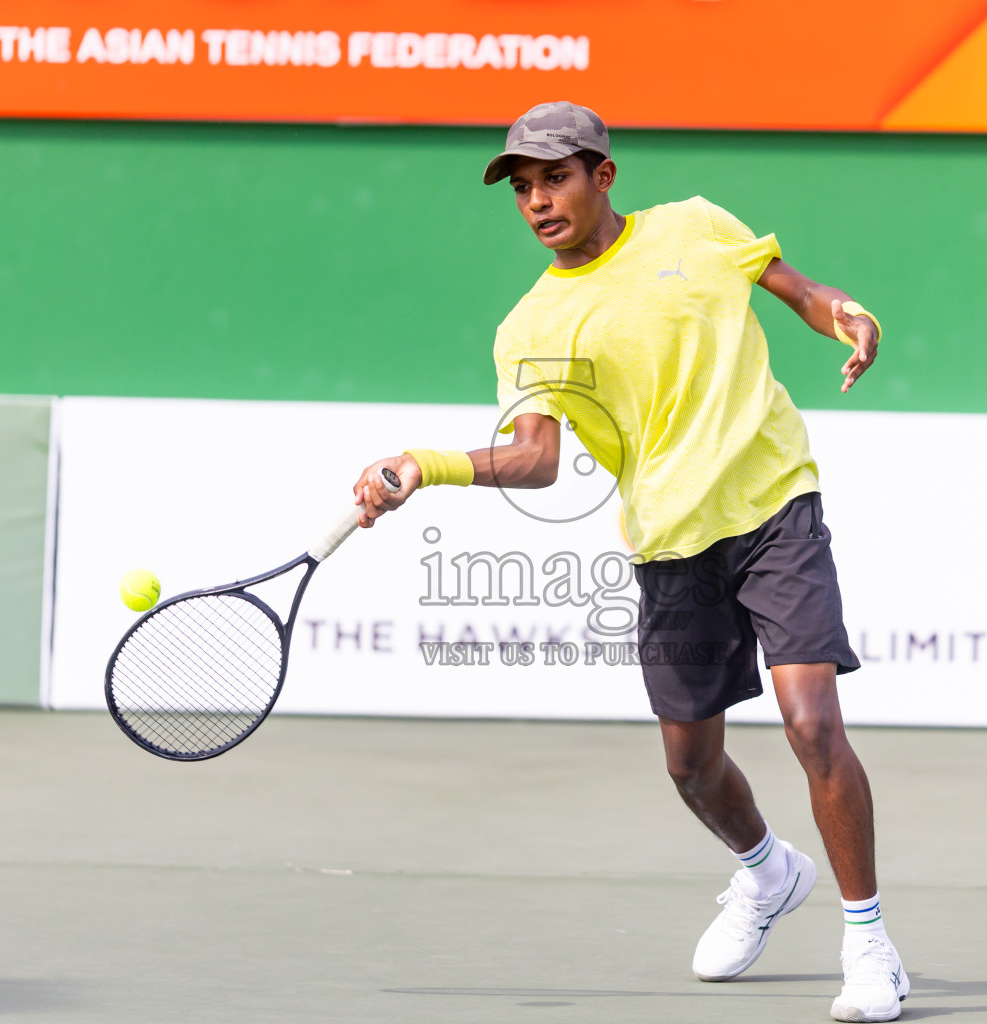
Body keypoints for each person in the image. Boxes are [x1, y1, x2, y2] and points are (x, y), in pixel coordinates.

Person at [350, 100, 908, 1022]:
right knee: (690, 766)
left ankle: (870, 945)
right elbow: (535, 459)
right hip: (669, 542)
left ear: (602, 175)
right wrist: (426, 467)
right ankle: (768, 875)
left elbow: (803, 293)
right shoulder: (531, 324)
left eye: (554, 179)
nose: (537, 201)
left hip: (774, 502)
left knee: (811, 721)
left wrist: (847, 314)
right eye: (522, 189)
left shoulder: (697, 225)